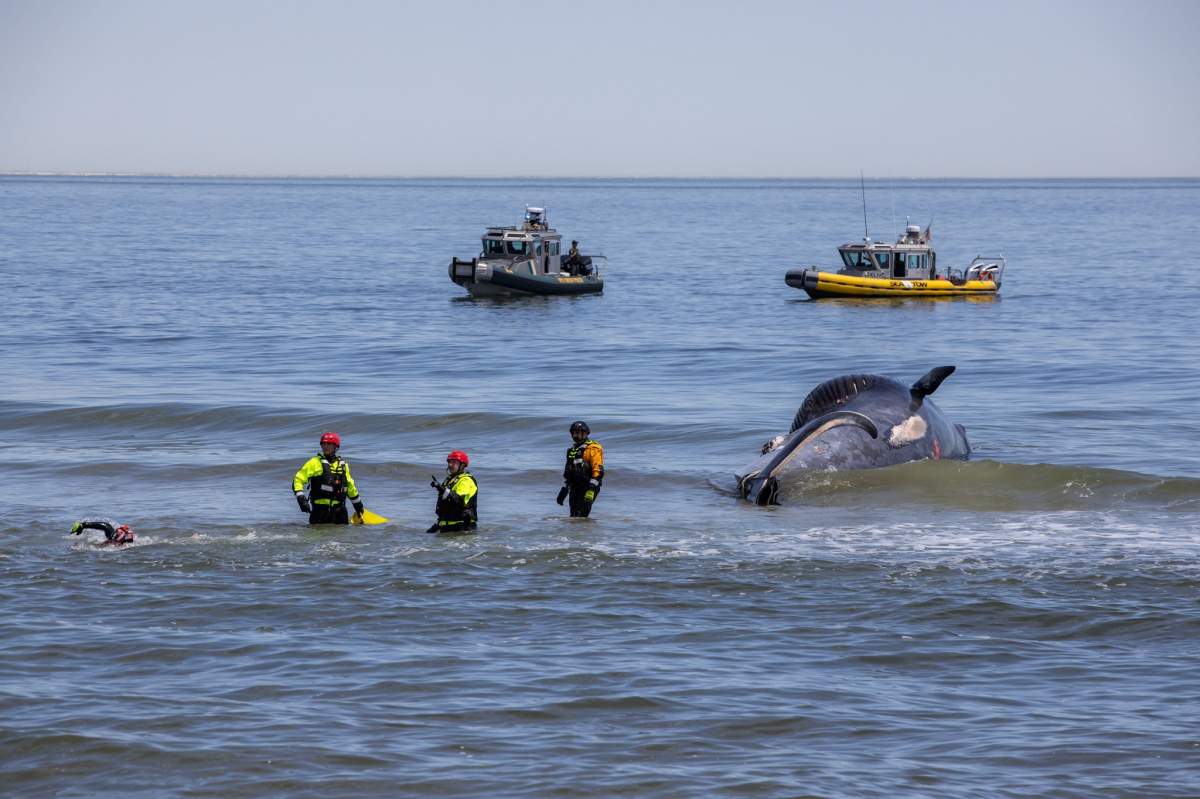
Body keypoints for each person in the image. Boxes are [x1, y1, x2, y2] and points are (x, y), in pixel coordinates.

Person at [292, 432, 365, 525]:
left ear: (336, 446)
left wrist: (358, 506)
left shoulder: (343, 465)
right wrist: (301, 498)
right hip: (320, 511)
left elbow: (350, 487)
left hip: (340, 512)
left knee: (343, 539)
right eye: (323, 444)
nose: (325, 446)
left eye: (329, 444)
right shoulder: (314, 462)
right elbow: (298, 480)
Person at [558, 421, 604, 517]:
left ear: (586, 433)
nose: (575, 435)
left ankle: (585, 531)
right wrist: (565, 490)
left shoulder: (593, 448)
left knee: (581, 515)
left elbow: (598, 471)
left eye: (578, 432)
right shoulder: (571, 450)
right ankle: (577, 532)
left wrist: (591, 489)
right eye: (574, 433)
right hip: (575, 487)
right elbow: (569, 472)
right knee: (573, 516)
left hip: (588, 486)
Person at [428, 450, 478, 533]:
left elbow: (458, 500)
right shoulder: (449, 480)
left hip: (462, 528)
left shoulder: (466, 480)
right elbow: (446, 504)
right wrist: (438, 525)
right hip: (447, 527)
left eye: (454, 462)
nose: (450, 465)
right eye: (449, 462)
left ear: (462, 465)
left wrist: (441, 489)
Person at [70, 518, 135, 545]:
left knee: (106, 526)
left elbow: (113, 541)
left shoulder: (125, 537)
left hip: (113, 537)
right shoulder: (127, 535)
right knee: (106, 526)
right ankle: (82, 525)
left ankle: (82, 525)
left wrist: (101, 545)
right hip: (114, 536)